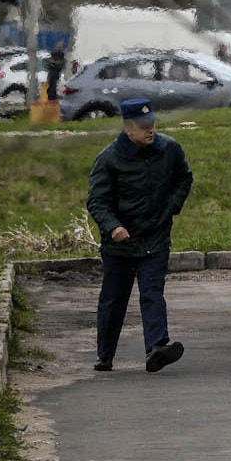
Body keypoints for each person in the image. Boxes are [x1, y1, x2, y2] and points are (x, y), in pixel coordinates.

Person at [85, 98, 192, 372]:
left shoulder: (169, 149)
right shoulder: (108, 159)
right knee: (114, 299)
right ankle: (105, 356)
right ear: (128, 129)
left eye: (152, 124)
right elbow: (97, 201)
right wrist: (113, 227)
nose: (150, 130)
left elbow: (184, 178)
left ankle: (156, 348)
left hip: (155, 237)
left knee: (152, 292)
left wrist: (171, 208)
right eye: (144, 126)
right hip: (121, 243)